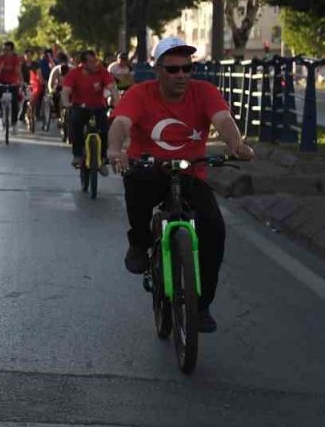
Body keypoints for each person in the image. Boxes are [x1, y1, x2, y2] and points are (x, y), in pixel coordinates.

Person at [107, 37, 255, 333]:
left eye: (187, 68)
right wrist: (114, 150)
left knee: (214, 228)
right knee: (136, 189)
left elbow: (223, 119)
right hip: (147, 169)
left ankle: (201, 307)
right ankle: (139, 243)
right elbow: (121, 123)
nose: (182, 76)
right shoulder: (140, 93)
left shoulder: (204, 92)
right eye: (173, 70)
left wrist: (235, 144)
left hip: (191, 173)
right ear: (158, 70)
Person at [61, 50, 119, 169]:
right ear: (84, 63)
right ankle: (77, 155)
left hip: (98, 107)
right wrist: (67, 103)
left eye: (96, 61)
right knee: (75, 122)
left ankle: (102, 157)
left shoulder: (102, 72)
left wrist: (117, 104)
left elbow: (112, 88)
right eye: (92, 62)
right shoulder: (74, 73)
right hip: (80, 107)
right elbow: (66, 91)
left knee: (105, 128)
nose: (95, 64)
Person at [0, 41, 24, 127]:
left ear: (12, 50)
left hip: (12, 83)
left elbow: (18, 70)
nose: (5, 52)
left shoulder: (15, 59)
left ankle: (14, 122)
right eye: (4, 50)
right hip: (1, 82)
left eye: (8, 50)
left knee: (15, 101)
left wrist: (21, 81)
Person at [47, 51, 71, 125]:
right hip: (59, 88)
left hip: (69, 88)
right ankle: (57, 114)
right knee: (55, 96)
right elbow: (51, 83)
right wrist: (51, 90)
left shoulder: (72, 69)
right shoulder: (56, 70)